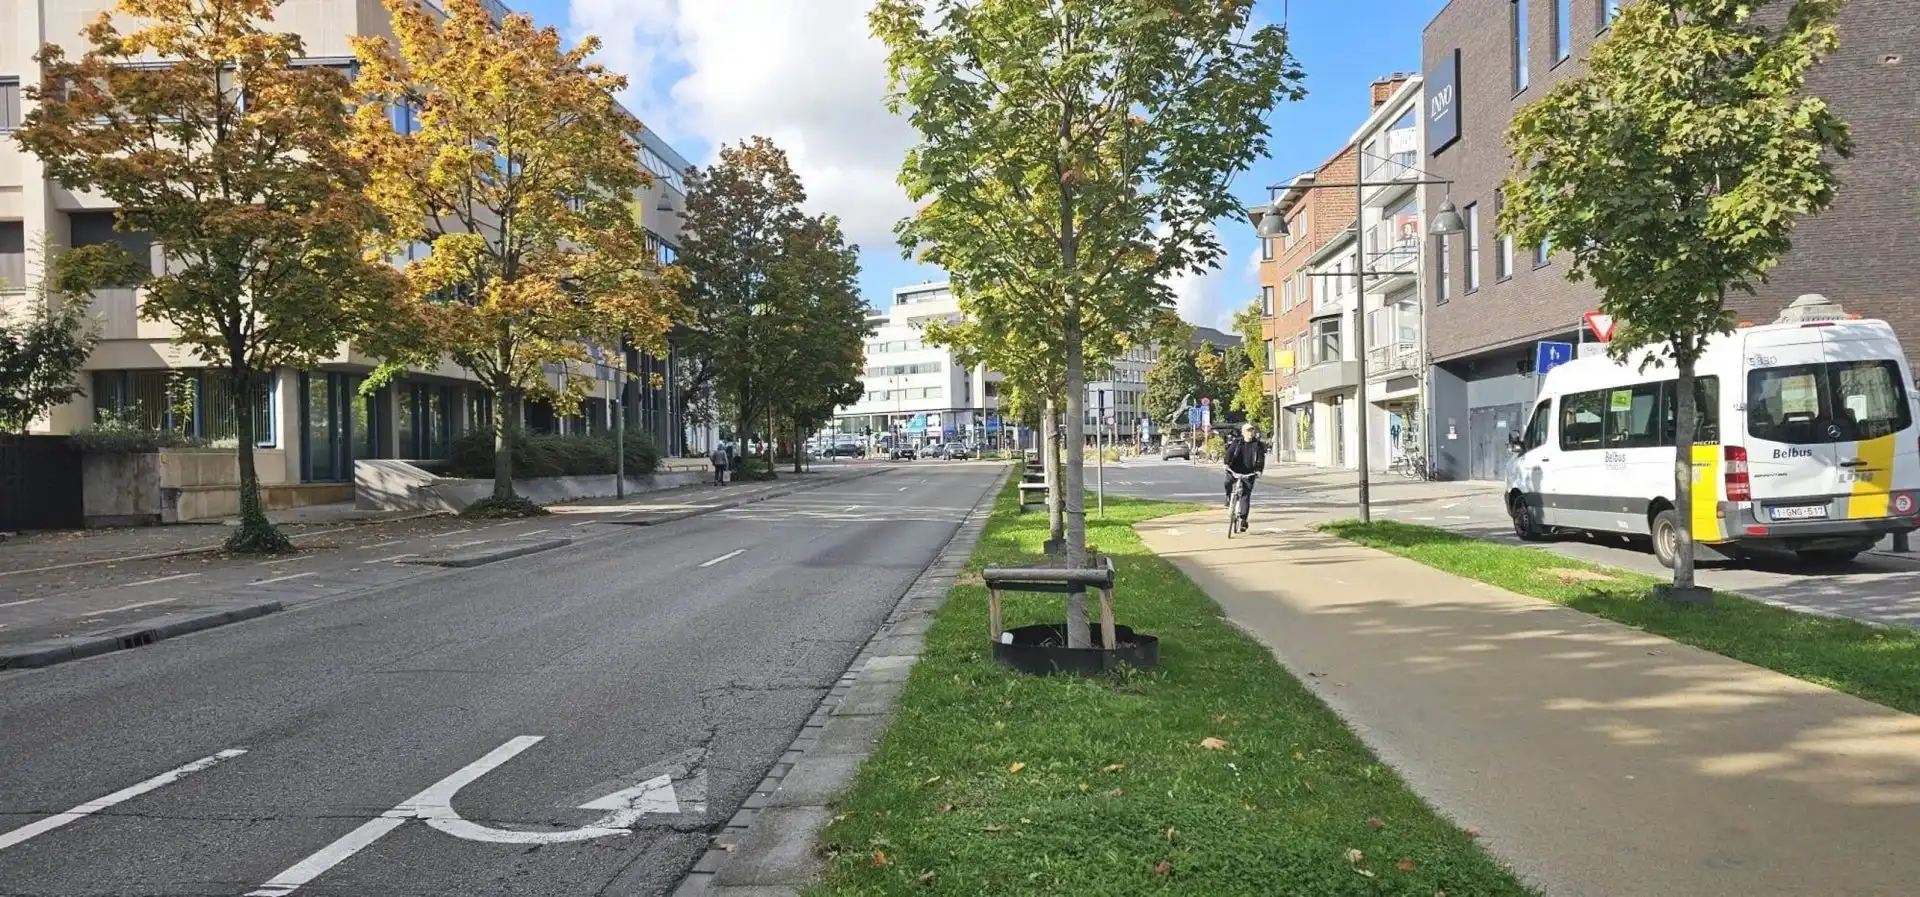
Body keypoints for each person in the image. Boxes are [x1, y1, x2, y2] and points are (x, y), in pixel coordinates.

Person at [1223, 422, 1267, 532]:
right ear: (1243, 432)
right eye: (1248, 431)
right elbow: (1229, 453)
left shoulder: (1258, 445)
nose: (1250, 433)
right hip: (1234, 470)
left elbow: (1260, 459)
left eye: (1252, 430)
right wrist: (1226, 463)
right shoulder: (1237, 442)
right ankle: (1228, 497)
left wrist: (1258, 471)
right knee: (1227, 482)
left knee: (1245, 496)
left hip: (1249, 473)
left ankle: (1243, 520)